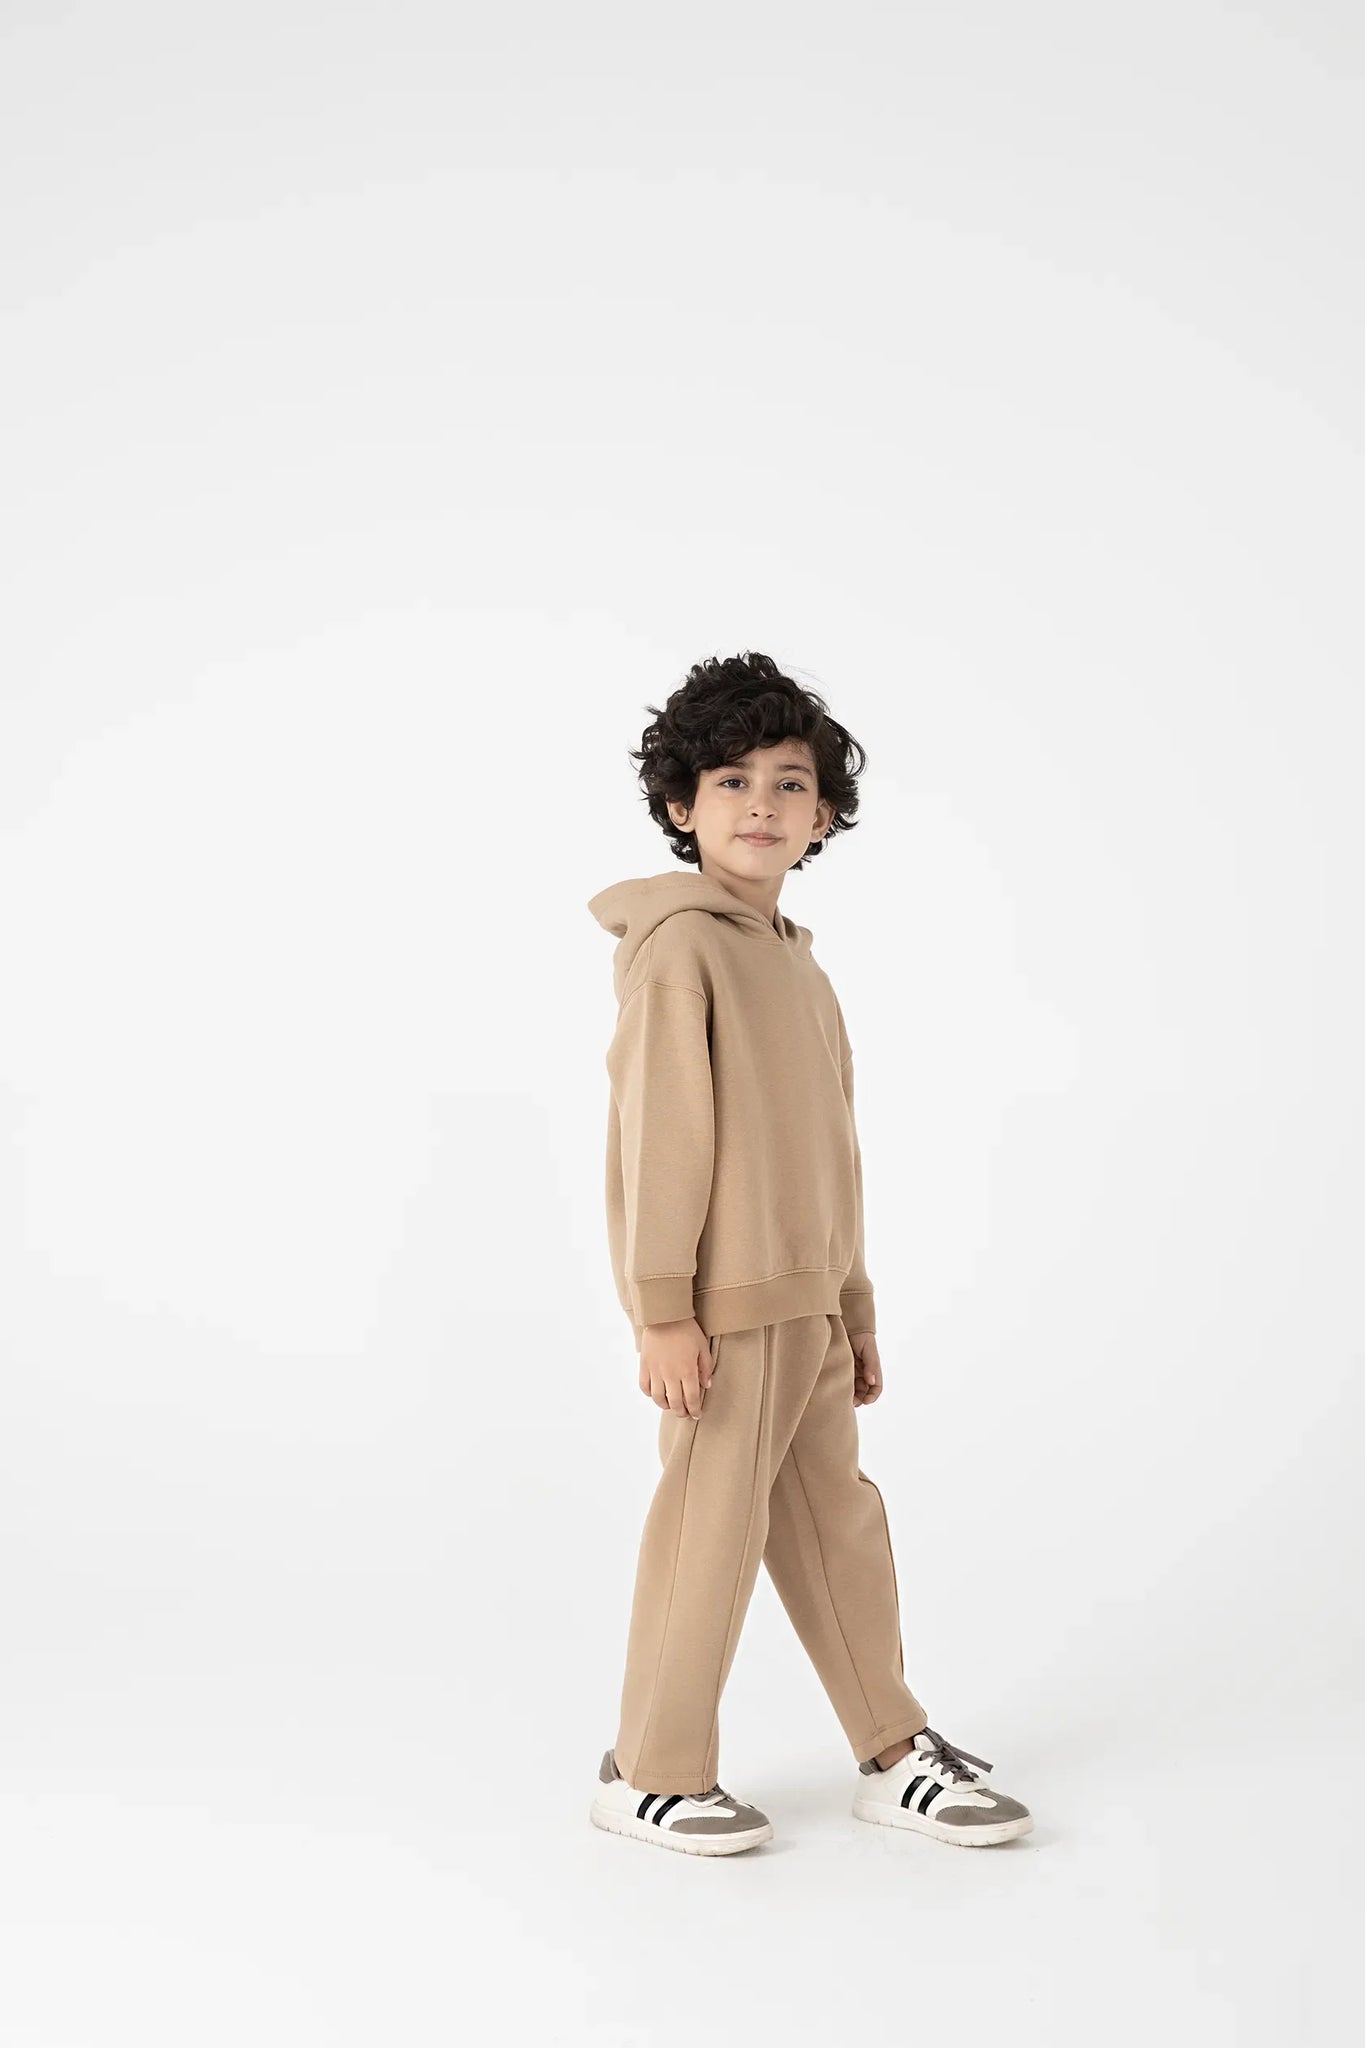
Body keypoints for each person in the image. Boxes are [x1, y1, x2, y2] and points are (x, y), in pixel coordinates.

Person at [586, 652, 1033, 1856]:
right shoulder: (680, 949)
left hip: (810, 1302)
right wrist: (661, 1309)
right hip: (725, 1312)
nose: (762, 804)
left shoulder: (799, 962)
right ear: (681, 804)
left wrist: (855, 1303)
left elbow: (830, 1147)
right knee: (709, 1535)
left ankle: (891, 1746)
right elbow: (661, 1141)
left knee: (840, 1525)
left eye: (790, 782)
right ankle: (652, 1771)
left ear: (824, 815)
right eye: (730, 780)